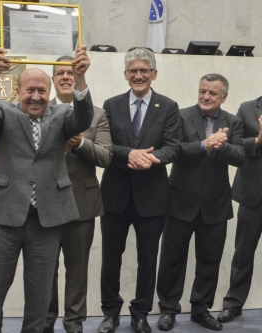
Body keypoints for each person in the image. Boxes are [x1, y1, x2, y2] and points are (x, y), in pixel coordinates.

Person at [0, 46, 94, 333]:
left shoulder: (63, 114)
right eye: (30, 90)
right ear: (18, 90)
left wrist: (79, 79)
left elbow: (84, 119)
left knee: (40, 296)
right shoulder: (3, 112)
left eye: (42, 90)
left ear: (49, 90)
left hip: (47, 219)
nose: (36, 97)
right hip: (4, 216)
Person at [98, 48, 180, 333]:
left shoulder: (168, 106)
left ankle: (141, 312)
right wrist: (129, 154)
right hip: (114, 196)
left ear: (154, 74)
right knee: (110, 257)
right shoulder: (111, 104)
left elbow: (174, 146)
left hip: (152, 198)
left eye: (144, 70)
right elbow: (105, 145)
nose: (139, 75)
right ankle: (110, 312)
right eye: (133, 71)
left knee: (148, 259)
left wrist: (152, 158)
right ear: (125, 75)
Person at [156, 73, 245, 331]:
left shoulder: (234, 121)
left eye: (213, 93)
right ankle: (168, 310)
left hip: (216, 206)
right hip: (180, 202)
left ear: (224, 97)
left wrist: (223, 146)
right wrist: (205, 144)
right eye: (202, 91)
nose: (206, 96)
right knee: (172, 260)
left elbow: (240, 157)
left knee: (209, 262)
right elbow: (175, 150)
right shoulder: (181, 116)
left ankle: (200, 309)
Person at [43, 56, 112, 333]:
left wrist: (81, 142)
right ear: (53, 79)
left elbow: (106, 156)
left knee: (77, 272)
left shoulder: (97, 114)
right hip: (45, 203)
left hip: (82, 204)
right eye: (59, 73)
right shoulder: (38, 109)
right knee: (44, 271)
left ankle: (74, 325)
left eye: (70, 73)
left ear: (78, 77)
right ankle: (45, 323)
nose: (65, 77)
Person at [217, 94, 262, 323]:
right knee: (243, 253)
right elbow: (235, 146)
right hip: (254, 195)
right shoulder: (247, 108)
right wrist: (257, 140)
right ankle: (233, 303)